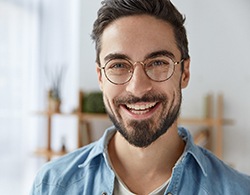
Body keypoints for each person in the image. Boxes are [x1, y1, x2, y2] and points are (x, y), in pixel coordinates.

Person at [30, 0, 250, 194]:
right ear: (100, 77)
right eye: (118, 65)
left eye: (157, 63)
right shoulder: (52, 186)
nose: (137, 88)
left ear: (185, 72)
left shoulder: (239, 190)